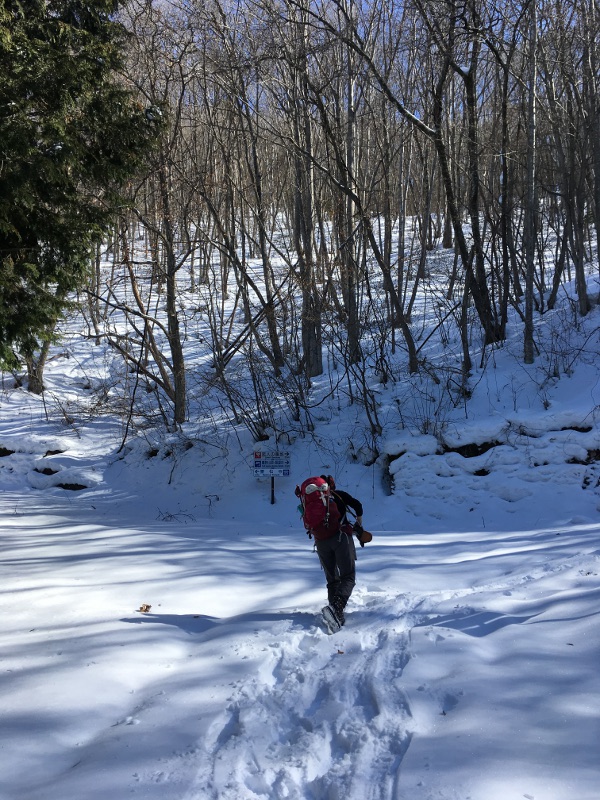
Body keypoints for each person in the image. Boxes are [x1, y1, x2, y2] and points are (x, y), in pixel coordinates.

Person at [315, 475, 364, 627]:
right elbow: (358, 505)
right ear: (332, 485)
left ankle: (334, 612)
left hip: (321, 542)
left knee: (332, 579)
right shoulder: (339, 495)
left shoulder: (313, 502)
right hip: (341, 538)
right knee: (348, 576)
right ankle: (336, 608)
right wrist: (359, 521)